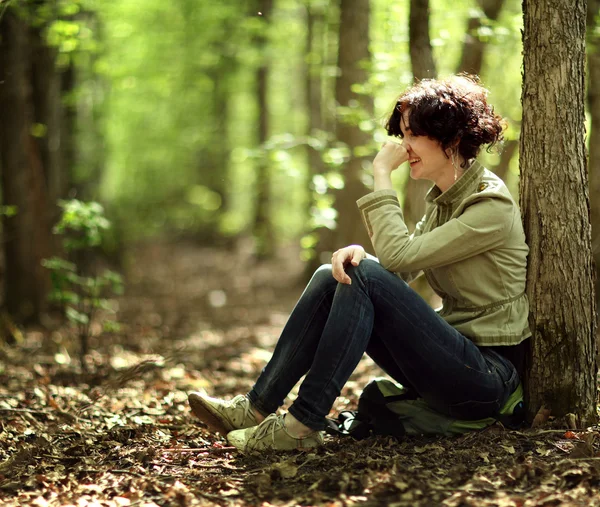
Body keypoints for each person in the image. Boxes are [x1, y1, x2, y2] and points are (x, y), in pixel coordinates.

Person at [188, 74, 531, 452]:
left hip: (486, 378)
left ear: (450, 139)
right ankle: (254, 409)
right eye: (403, 135)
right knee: (332, 275)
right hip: (450, 362)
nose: (404, 147)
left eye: (413, 135)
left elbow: (398, 257)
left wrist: (381, 174)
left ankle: (300, 425)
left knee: (361, 274)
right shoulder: (443, 204)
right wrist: (360, 255)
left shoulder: (490, 207)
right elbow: (400, 268)